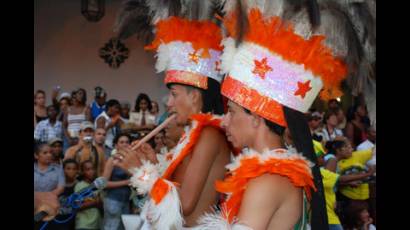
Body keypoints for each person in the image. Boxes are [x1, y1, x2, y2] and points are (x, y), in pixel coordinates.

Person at [196, 3, 353, 228]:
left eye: (231, 111)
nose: (225, 120)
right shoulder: (277, 173)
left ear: (257, 118)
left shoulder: (267, 182)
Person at [114, 13, 230, 228]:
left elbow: (184, 205)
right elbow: (175, 189)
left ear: (194, 96)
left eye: (174, 94)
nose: (168, 103)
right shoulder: (191, 134)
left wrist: (140, 171)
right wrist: (154, 165)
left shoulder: (209, 135)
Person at [102, 133, 132, 230]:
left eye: (127, 142)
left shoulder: (131, 160)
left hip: (126, 201)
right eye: (121, 142)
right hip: (113, 200)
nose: (125, 144)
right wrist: (126, 182)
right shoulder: (112, 160)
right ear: (116, 145)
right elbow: (104, 183)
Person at [74, 160, 102, 230]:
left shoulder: (97, 186)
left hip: (96, 224)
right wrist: (94, 202)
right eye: (88, 169)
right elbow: (76, 205)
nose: (91, 171)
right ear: (83, 172)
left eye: (93, 169)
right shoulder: (80, 186)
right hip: (84, 224)